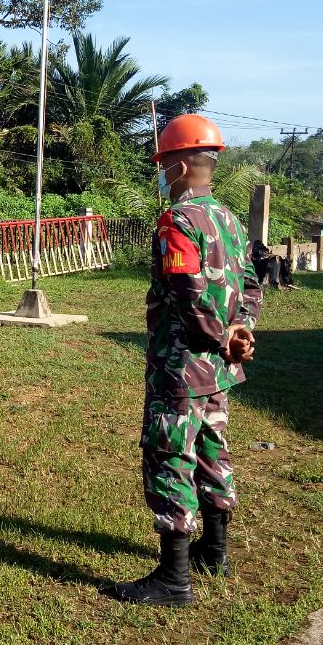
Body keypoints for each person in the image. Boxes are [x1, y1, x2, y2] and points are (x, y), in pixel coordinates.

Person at [101, 113, 262, 606]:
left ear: (182, 164)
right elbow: (252, 286)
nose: (162, 172)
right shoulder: (230, 220)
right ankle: (214, 551)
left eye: (164, 162)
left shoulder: (178, 221)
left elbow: (188, 294)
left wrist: (218, 336)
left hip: (182, 366)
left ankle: (174, 578)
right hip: (218, 369)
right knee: (213, 449)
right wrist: (240, 333)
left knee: (170, 454)